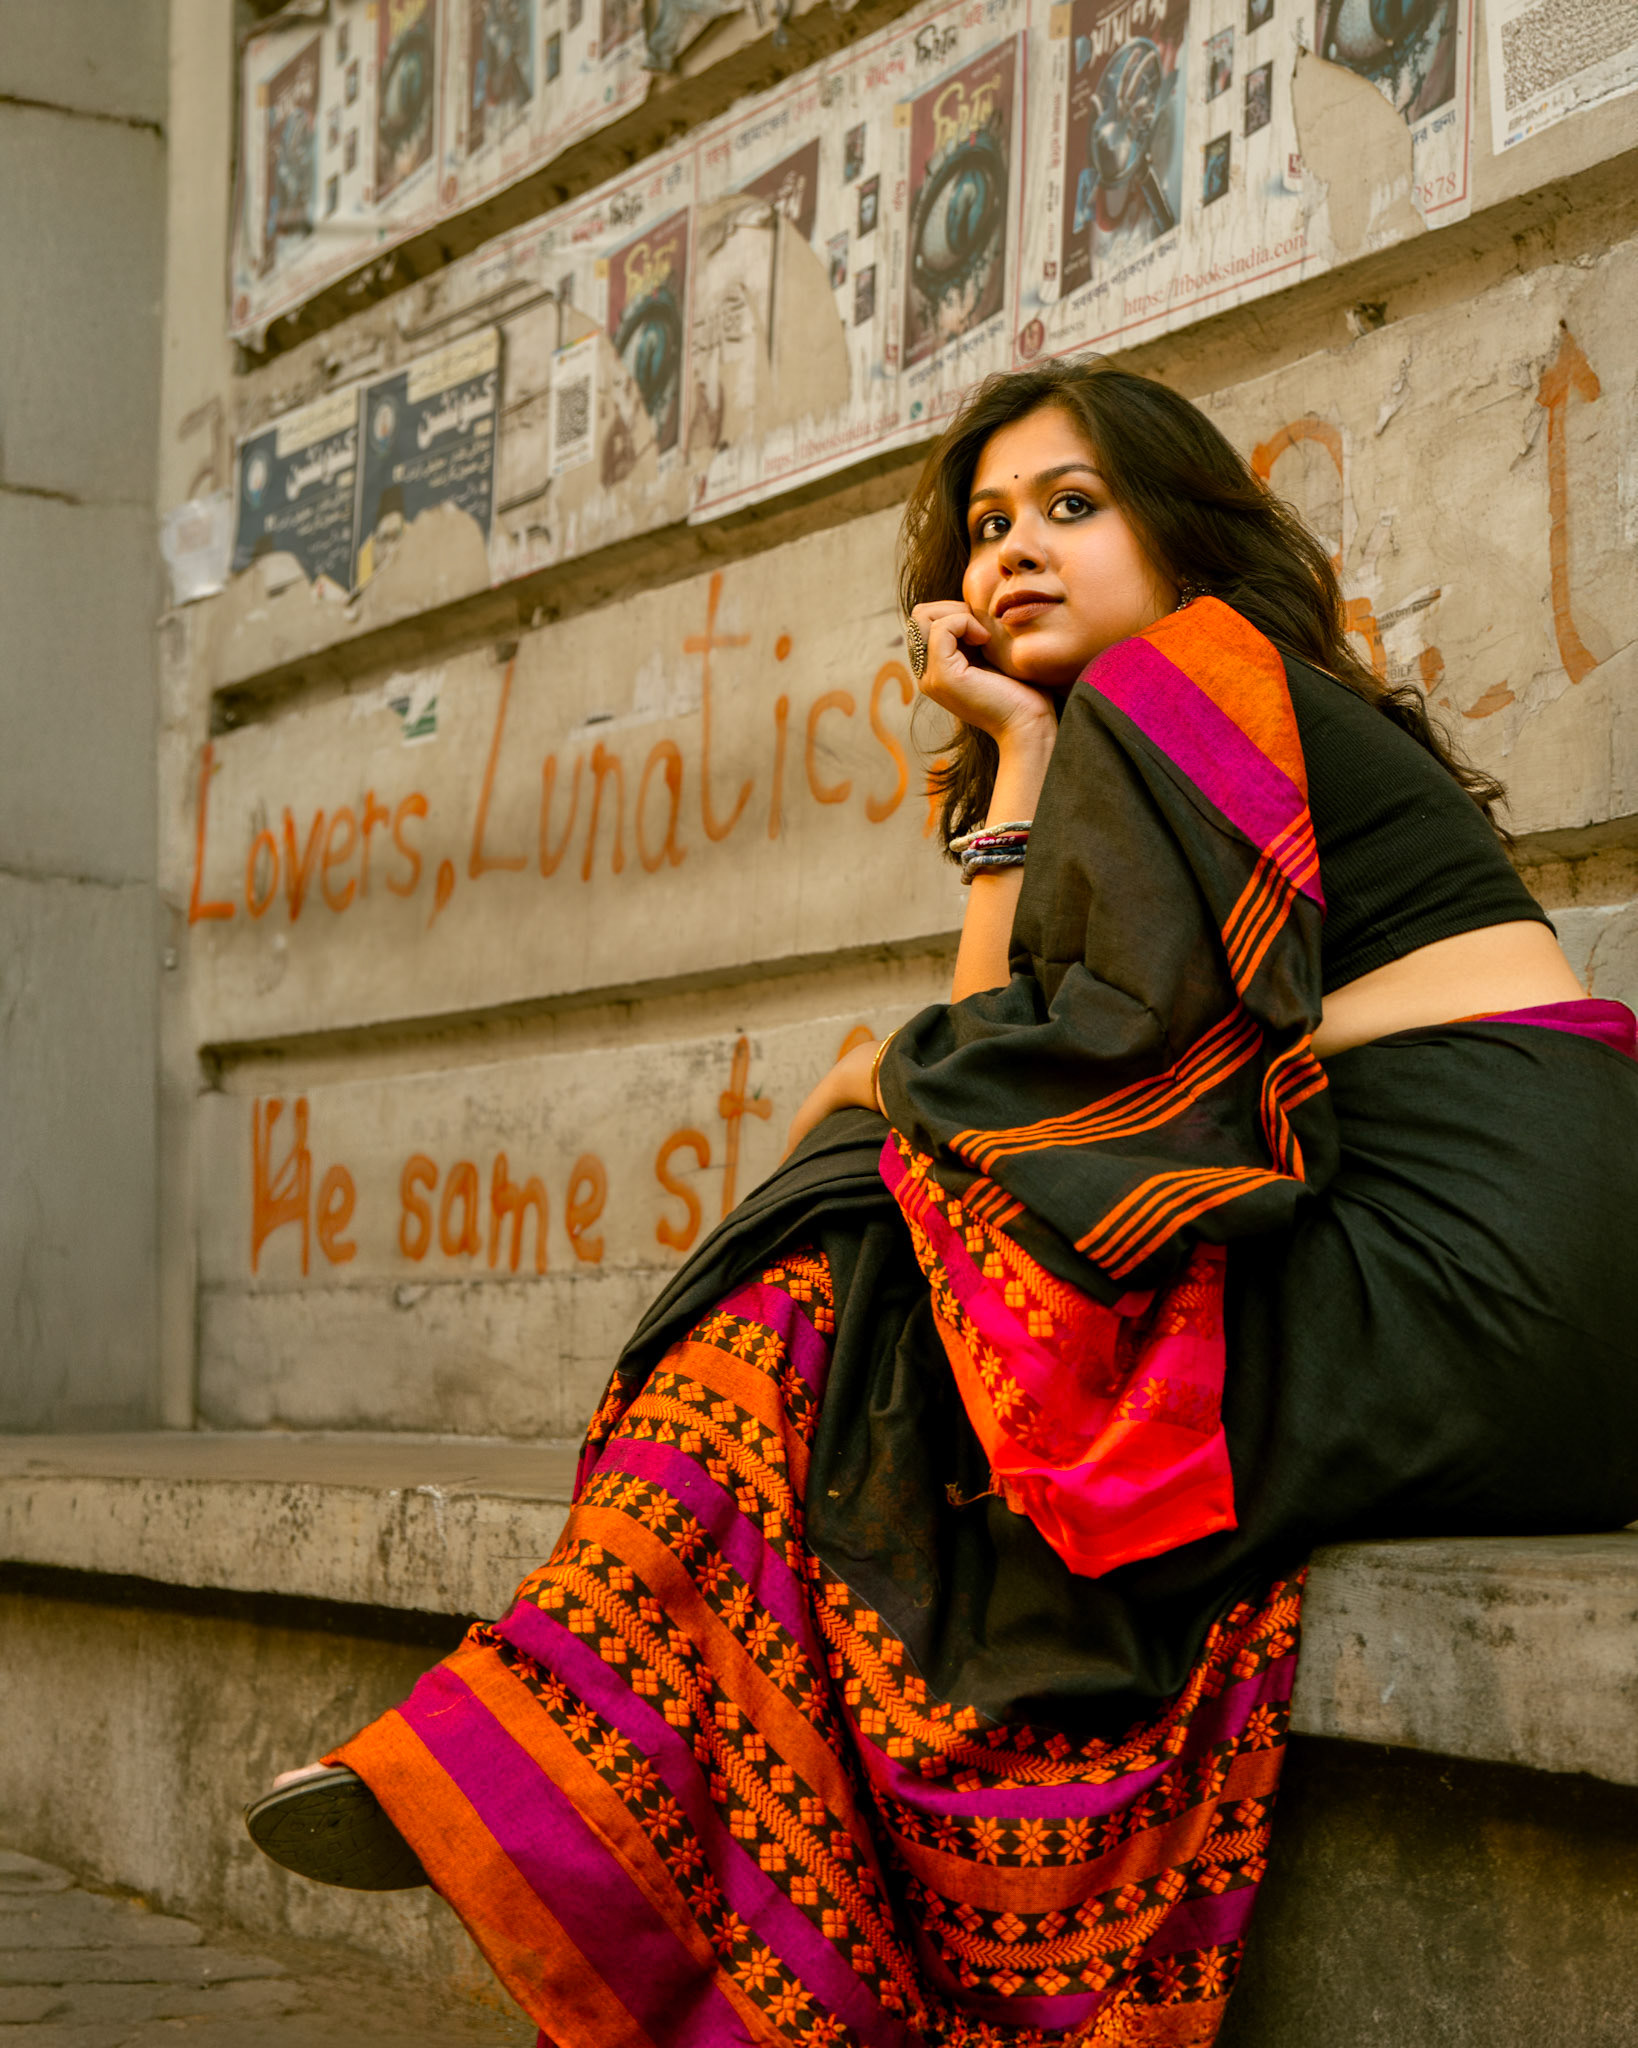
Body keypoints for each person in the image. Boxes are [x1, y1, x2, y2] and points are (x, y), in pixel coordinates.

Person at [247, 362, 1638, 2046]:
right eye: (985, 527)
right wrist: (1015, 763)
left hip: (1462, 1279)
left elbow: (1017, 1078)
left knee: (851, 1219)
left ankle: (567, 1726)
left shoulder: (1178, 684)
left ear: (1182, 534)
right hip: (1554, 1341)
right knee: (890, 1244)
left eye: (1072, 507)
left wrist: (875, 1076)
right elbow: (1023, 1073)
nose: (1013, 554)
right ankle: (573, 1713)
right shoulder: (1189, 715)